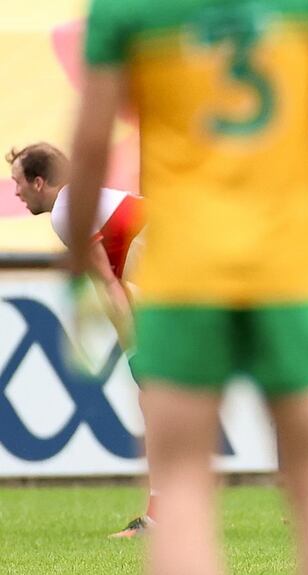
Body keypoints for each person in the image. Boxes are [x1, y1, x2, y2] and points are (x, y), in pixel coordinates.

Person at [65, 1, 308, 573]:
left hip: (183, 272)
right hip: (290, 266)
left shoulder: (122, 8)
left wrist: (71, 274)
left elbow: (90, 144)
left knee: (186, 481)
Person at [7, 142, 153, 538]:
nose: (15, 192)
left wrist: (135, 350)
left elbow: (107, 283)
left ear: (39, 182)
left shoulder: (69, 213)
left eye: (18, 182)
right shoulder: (82, 204)